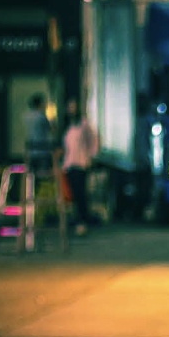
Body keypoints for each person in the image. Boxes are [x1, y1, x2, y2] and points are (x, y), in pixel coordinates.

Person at [62, 101, 99, 236]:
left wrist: (91, 156)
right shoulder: (69, 127)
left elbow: (94, 140)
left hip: (81, 163)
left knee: (80, 193)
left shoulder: (83, 125)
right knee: (73, 194)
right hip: (70, 164)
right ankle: (78, 219)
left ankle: (82, 220)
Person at [24, 94, 55, 177]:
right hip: (42, 151)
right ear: (39, 104)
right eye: (43, 103)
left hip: (31, 151)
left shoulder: (27, 116)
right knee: (43, 176)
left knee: (32, 176)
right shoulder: (41, 117)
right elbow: (51, 129)